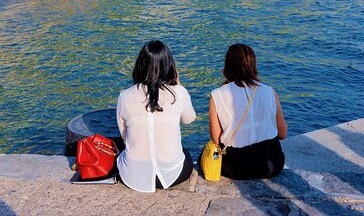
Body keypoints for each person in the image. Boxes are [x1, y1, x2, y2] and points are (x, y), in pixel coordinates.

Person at [116, 41, 196, 193]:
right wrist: (178, 84)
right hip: (173, 175)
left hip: (134, 175)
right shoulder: (178, 92)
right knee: (185, 153)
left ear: (140, 65)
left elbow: (125, 136)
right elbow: (189, 119)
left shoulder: (124, 96)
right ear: (169, 66)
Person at [205, 43, 287, 180]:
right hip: (272, 163)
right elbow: (282, 134)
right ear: (253, 64)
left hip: (237, 167)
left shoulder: (217, 94)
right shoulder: (269, 91)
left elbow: (216, 138)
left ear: (228, 66)